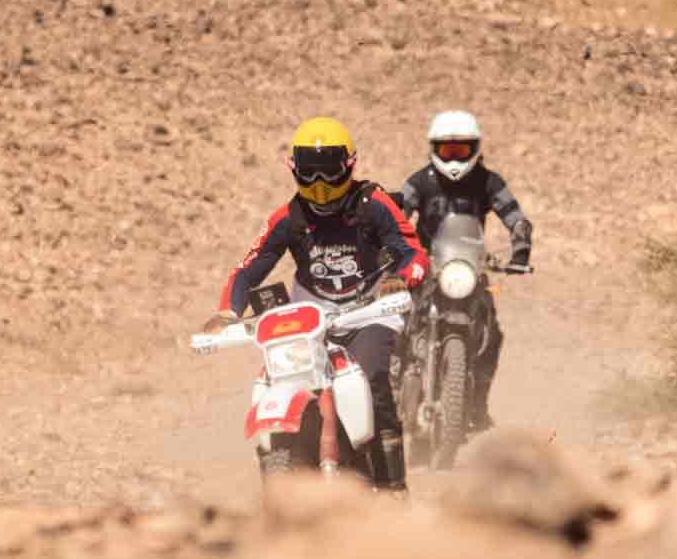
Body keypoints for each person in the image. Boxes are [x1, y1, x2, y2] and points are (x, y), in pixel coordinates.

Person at [203, 118, 428, 490]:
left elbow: (412, 251)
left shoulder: (374, 204)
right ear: (295, 170)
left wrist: (399, 279)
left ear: (350, 165)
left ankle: (392, 489)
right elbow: (248, 268)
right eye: (310, 172)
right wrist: (228, 311)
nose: (320, 184)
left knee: (372, 377)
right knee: (272, 379)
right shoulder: (288, 218)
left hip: (369, 309)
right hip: (309, 319)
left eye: (329, 171)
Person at [396, 111, 533, 429]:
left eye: (461, 150)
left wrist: (521, 249)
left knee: (492, 334)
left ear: (475, 149)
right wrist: (391, 249)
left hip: (469, 268)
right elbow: (396, 215)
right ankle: (391, 392)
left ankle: (477, 405)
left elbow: (516, 217)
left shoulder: (488, 182)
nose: (454, 157)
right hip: (426, 267)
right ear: (434, 149)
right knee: (395, 324)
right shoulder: (419, 182)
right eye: (447, 150)